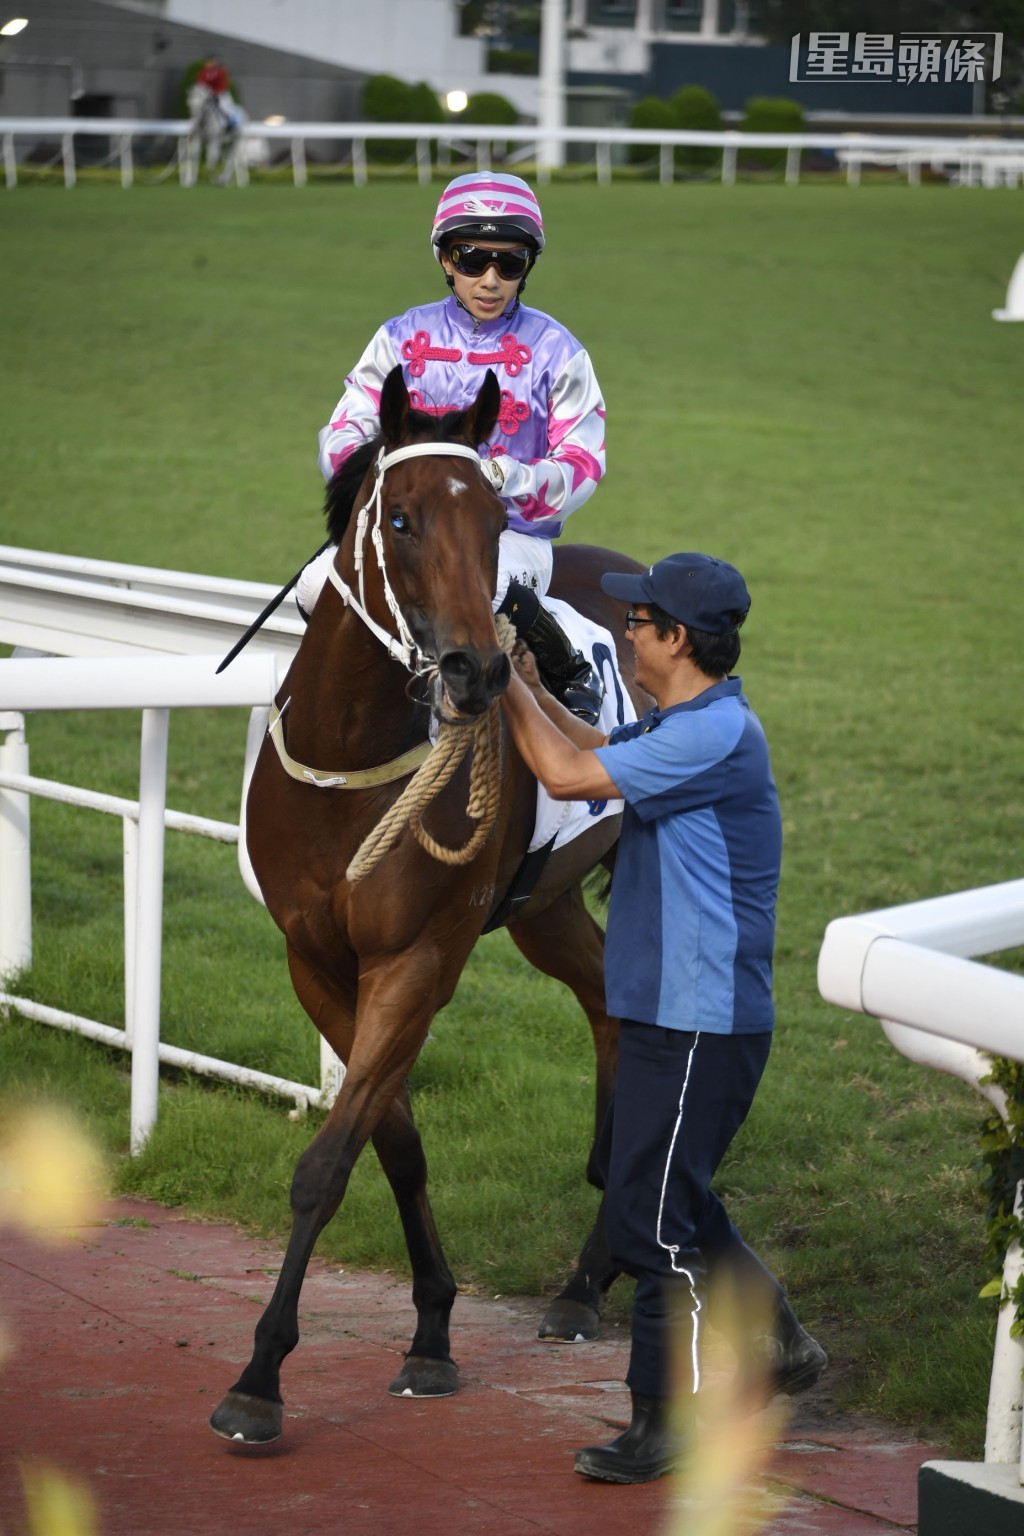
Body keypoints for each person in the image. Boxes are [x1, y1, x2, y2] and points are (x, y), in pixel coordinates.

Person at [500, 551, 827, 1484]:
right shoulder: (686, 724)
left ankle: (665, 1422)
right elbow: (593, 755)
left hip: (700, 1021)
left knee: (649, 1224)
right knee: (672, 1202)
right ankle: (781, 1344)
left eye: (639, 622)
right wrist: (524, 683)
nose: (628, 632)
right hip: (668, 1012)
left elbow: (565, 779)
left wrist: (500, 683)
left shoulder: (713, 735)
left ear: (678, 639)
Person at [297, 170, 607, 719]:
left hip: (511, 533)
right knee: (316, 583)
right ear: (446, 260)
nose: (490, 280)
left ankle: (566, 665)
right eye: (471, 260)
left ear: (526, 267)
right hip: (409, 526)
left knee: (480, 584)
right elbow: (344, 433)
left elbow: (582, 462)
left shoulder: (559, 350)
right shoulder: (398, 337)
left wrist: (511, 479)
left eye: (508, 264)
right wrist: (384, 477)